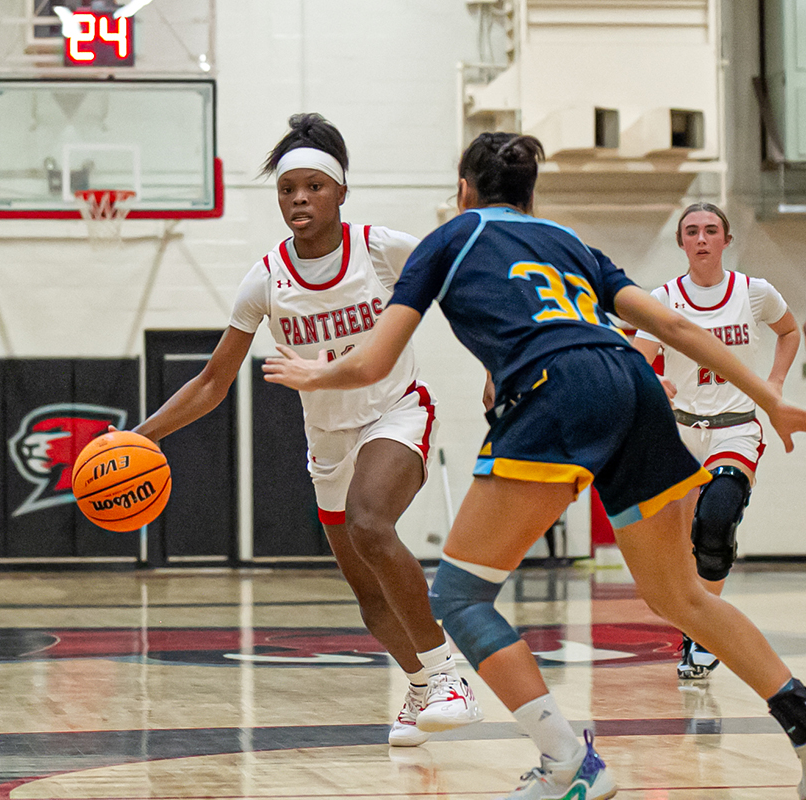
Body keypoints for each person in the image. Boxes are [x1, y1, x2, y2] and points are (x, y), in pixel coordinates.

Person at [263, 132, 806, 800]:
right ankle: (799, 714)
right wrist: (770, 398)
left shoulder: (450, 238)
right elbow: (677, 330)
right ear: (530, 195)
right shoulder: (568, 242)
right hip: (632, 384)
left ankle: (567, 762)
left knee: (459, 597)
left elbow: (373, 362)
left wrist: (312, 375)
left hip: (557, 390)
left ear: (464, 189)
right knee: (680, 595)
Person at [132, 113, 482, 746]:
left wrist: (496, 363)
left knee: (372, 523)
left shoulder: (383, 249)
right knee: (369, 597)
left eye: (313, 187)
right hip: (328, 440)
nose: (299, 198)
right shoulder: (265, 279)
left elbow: (467, 293)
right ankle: (420, 686)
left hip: (396, 410)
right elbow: (213, 381)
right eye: (288, 188)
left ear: (340, 191)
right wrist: (144, 434)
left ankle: (447, 673)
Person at [632, 203, 800, 680]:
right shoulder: (662, 298)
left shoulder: (753, 292)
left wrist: (776, 383)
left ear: (726, 240)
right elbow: (639, 358)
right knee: (679, 544)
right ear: (682, 243)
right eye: (692, 231)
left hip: (736, 426)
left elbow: (789, 331)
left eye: (711, 230)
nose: (702, 238)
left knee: (717, 521)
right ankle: (697, 619)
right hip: (681, 429)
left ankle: (703, 639)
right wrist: (651, 384)